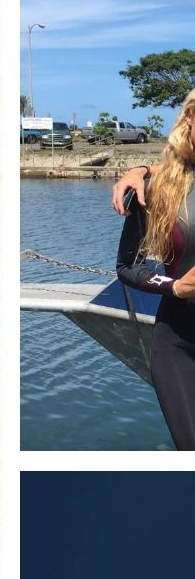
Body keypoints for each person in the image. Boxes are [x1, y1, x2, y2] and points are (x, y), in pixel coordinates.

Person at [110, 91, 195, 448]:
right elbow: (126, 266)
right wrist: (173, 286)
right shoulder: (157, 188)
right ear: (190, 117)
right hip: (178, 342)